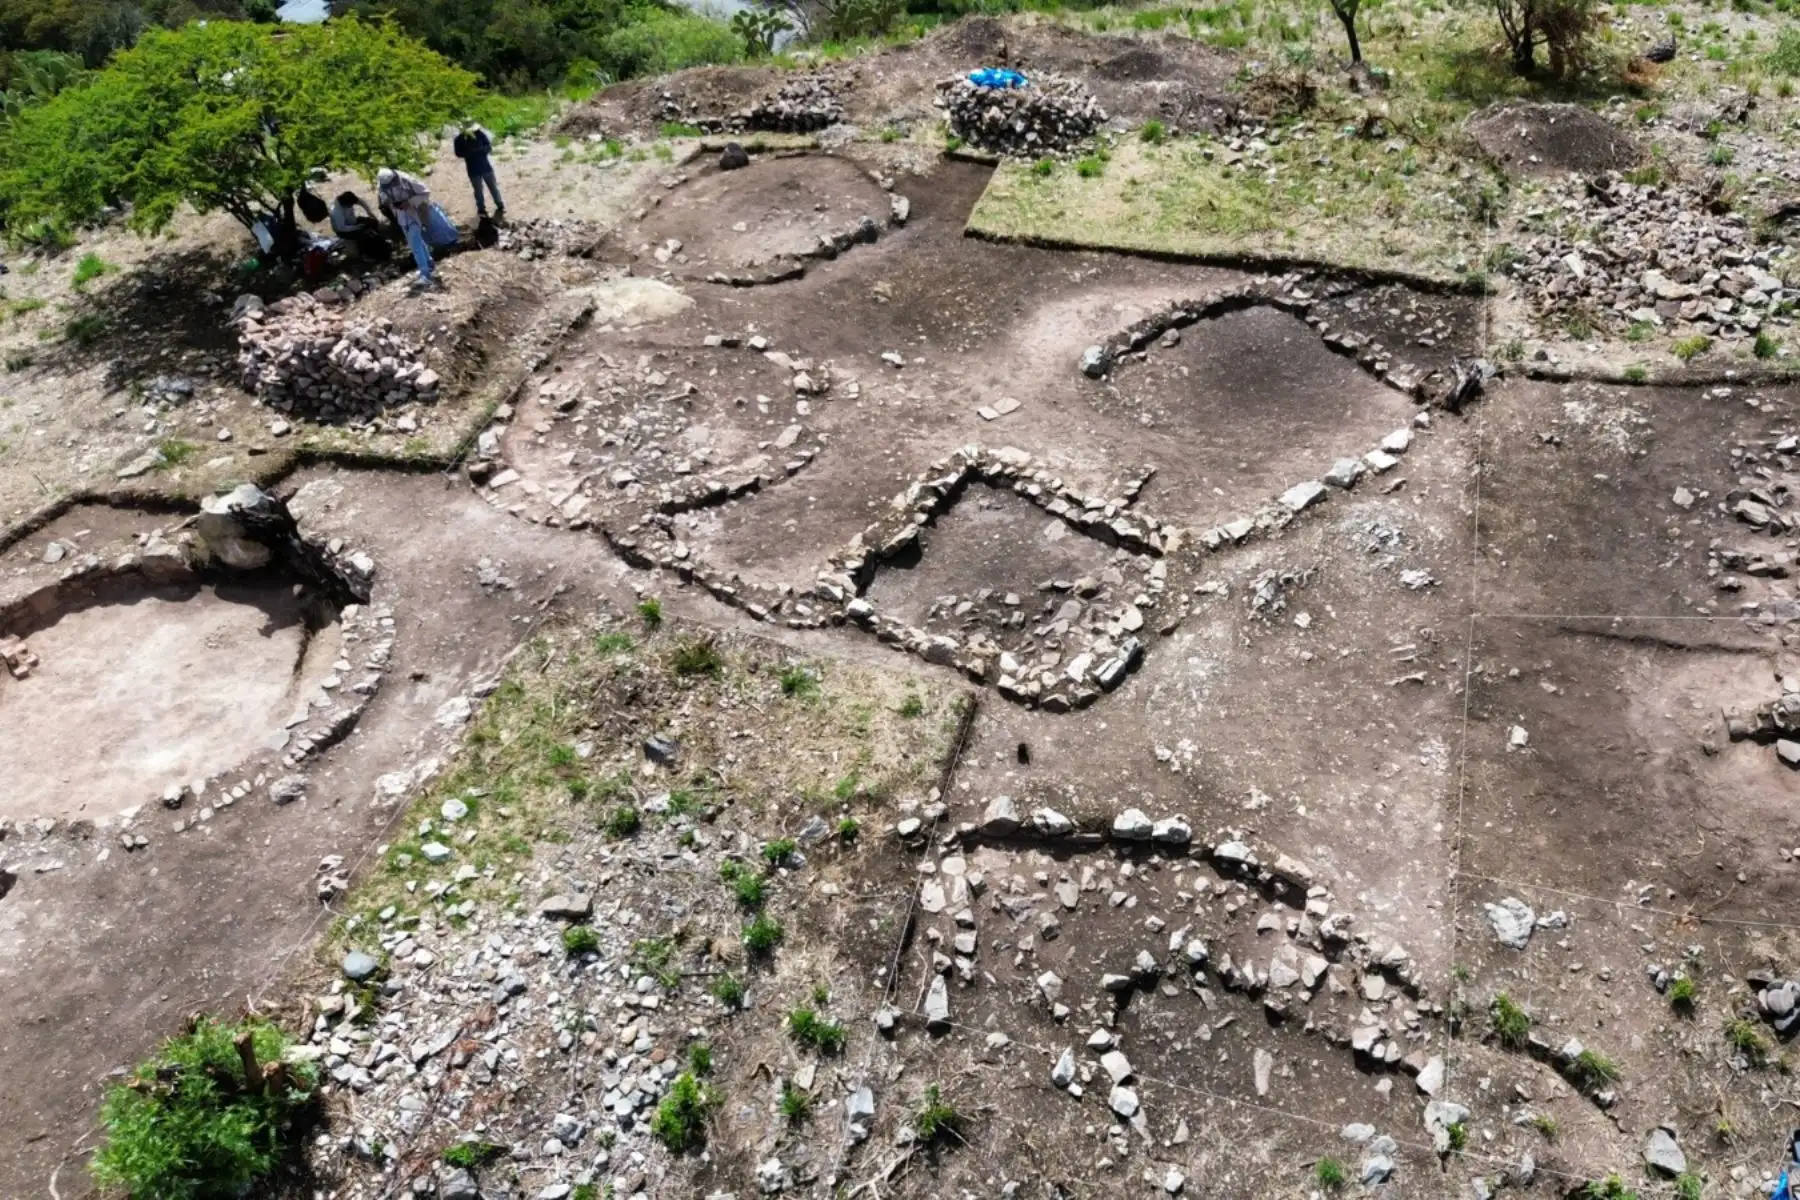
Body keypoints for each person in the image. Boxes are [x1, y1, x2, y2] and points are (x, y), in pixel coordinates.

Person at [377, 167, 453, 284]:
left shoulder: (407, 180)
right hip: (402, 216)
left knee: (415, 245)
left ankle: (425, 275)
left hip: (416, 213)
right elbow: (385, 200)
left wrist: (409, 202)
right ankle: (429, 264)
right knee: (417, 242)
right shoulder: (383, 184)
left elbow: (425, 193)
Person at [453, 124, 504, 220]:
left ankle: (499, 204)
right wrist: (470, 152)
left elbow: (489, 147)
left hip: (485, 167)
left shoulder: (479, 134)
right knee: (478, 190)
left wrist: (479, 150)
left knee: (493, 187)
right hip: (473, 169)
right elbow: (458, 153)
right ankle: (481, 209)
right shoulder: (459, 139)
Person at [328, 191, 389, 261]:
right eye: (351, 205)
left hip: (354, 223)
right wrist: (356, 227)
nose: (352, 206)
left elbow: (361, 202)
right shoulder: (337, 212)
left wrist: (369, 212)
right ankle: (364, 254)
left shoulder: (348, 199)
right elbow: (341, 228)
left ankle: (380, 242)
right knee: (362, 235)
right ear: (345, 204)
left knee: (373, 222)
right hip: (343, 231)